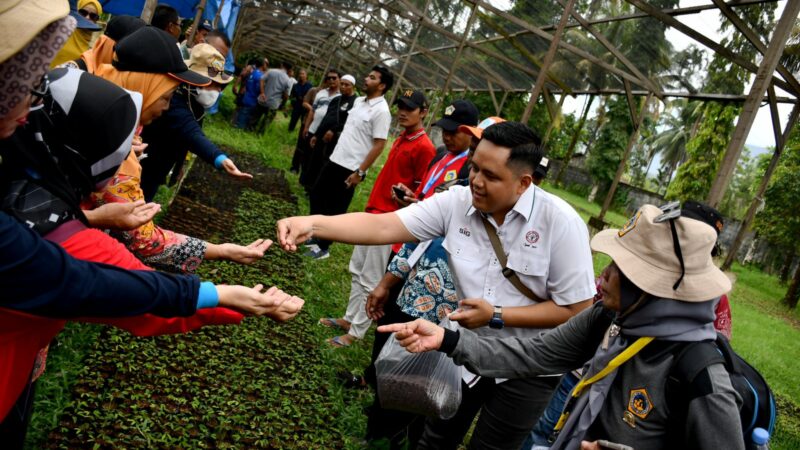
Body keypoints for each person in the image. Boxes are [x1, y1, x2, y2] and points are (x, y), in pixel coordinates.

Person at [0, 2, 302, 444]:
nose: (166, 108)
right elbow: (109, 285)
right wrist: (230, 296)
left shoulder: (39, 148)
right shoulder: (60, 232)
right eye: (168, 93)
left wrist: (91, 215)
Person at [278, 121, 595, 449]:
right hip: (467, 347)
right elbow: (385, 226)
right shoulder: (457, 203)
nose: (476, 181)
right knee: (436, 435)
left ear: (523, 183)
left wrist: (497, 314)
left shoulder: (561, 224)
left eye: (491, 175)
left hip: (528, 365)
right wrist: (314, 224)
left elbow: (577, 309)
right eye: (474, 169)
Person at [379, 203, 742, 450]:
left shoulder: (700, 377)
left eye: (621, 269)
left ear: (653, 288)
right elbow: (533, 353)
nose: (605, 276)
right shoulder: (612, 318)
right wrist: (448, 339)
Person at [90, 27, 266, 273]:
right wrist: (220, 253)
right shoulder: (114, 145)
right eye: (165, 96)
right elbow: (145, 239)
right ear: (147, 84)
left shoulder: (117, 123)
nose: (166, 105)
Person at [319, 89, 436, 347]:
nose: (402, 112)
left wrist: (405, 200)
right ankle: (349, 318)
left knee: (371, 277)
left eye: (410, 108)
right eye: (401, 106)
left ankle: (356, 333)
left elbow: (420, 191)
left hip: (389, 221)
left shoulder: (424, 147)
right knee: (357, 270)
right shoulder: (403, 138)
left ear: (424, 112)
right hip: (374, 212)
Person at [139, 43, 252, 201]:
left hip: (160, 164)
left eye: (220, 86)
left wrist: (180, 165)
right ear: (195, 80)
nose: (217, 90)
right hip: (144, 165)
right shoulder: (174, 100)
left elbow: (188, 136)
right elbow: (191, 133)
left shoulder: (194, 101)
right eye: (212, 84)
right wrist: (220, 158)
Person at [304, 66, 394, 259]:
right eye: (368, 75)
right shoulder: (360, 102)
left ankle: (324, 247)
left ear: (382, 85)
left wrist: (360, 172)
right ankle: (315, 234)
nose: (366, 79)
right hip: (336, 158)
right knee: (317, 194)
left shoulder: (381, 111)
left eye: (372, 78)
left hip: (350, 167)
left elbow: (379, 145)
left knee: (336, 208)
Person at [302, 74, 358, 192]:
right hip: (322, 135)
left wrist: (333, 130)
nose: (343, 87)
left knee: (326, 163)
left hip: (337, 139)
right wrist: (317, 135)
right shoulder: (336, 99)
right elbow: (327, 118)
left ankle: (319, 188)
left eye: (346, 85)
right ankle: (309, 186)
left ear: (353, 86)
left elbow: (349, 121)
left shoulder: (355, 102)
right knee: (315, 160)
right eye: (342, 84)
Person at [50, 0, 102, 68]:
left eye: (93, 16)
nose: (87, 17)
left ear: (96, 20)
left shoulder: (96, 47)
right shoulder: (60, 32)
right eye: (83, 13)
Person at [255, 61, 293, 132]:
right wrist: (282, 104)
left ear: (281, 64)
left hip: (262, 100)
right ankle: (258, 136)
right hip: (273, 104)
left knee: (254, 119)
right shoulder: (288, 80)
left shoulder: (271, 71)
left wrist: (262, 92)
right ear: (289, 69)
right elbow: (286, 96)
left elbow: (261, 80)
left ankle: (249, 131)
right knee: (265, 125)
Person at [235, 57, 268, 130]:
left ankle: (236, 127)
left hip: (246, 97)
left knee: (242, 114)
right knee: (245, 118)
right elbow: (258, 89)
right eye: (266, 64)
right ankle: (238, 131)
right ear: (263, 65)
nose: (266, 66)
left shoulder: (253, 72)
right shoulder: (260, 76)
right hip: (252, 100)